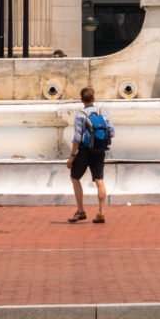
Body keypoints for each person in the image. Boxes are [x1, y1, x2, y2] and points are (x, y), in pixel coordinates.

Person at [66, 86, 111, 225]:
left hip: (85, 151)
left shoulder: (80, 115)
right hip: (100, 150)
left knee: (74, 178)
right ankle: (101, 212)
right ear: (94, 98)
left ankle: (80, 210)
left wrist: (72, 156)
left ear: (82, 100)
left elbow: (77, 138)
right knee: (99, 180)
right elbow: (112, 132)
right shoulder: (102, 112)